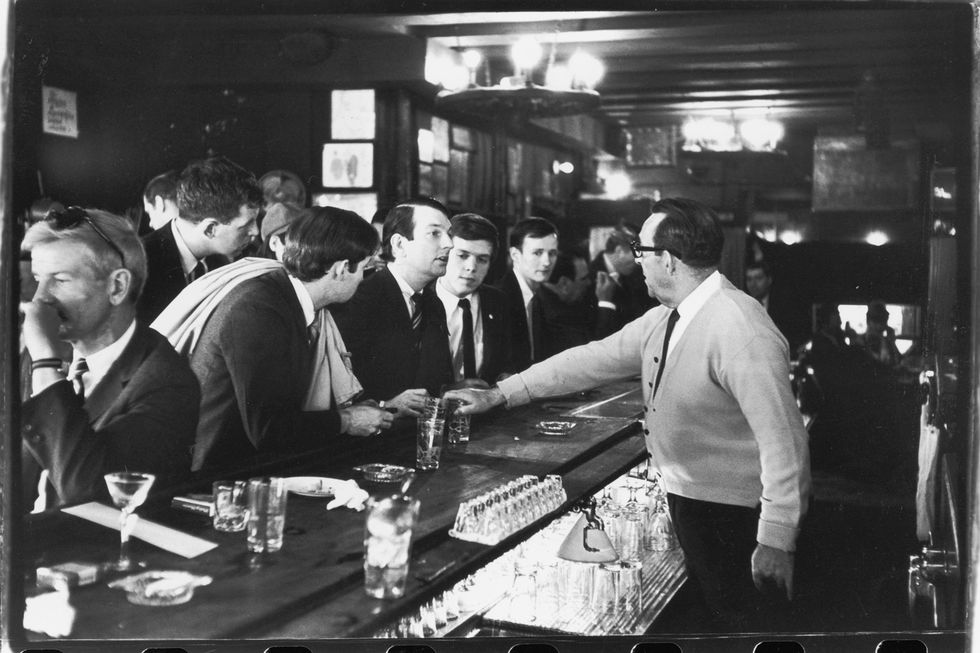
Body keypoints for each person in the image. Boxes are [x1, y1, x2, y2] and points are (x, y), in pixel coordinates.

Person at [448, 197, 810, 631]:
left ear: (669, 261)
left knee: (738, 627)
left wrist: (776, 538)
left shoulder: (739, 325)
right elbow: (589, 359)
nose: (636, 262)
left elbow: (784, 441)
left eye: (642, 251)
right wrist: (501, 394)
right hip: (692, 503)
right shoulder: (667, 317)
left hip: (734, 517)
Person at [186, 207, 393, 472]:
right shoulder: (259, 311)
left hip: (255, 467)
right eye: (363, 269)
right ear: (342, 269)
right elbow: (268, 430)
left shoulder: (284, 294)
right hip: (221, 478)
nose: (363, 279)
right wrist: (347, 421)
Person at [19, 206, 199, 509]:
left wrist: (46, 366)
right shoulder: (41, 352)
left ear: (117, 287)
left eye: (60, 280)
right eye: (38, 279)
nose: (39, 298)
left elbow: (87, 492)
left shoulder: (167, 382)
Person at [333, 198, 455, 417]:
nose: (449, 244)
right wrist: (384, 404)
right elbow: (339, 390)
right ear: (399, 245)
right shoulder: (359, 297)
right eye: (435, 234)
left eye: (449, 234)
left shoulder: (432, 303)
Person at [138, 156, 263, 324]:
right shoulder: (139, 265)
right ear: (210, 229)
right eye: (246, 225)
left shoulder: (227, 261)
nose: (255, 231)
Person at [436, 213, 511, 386]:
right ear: (444, 254)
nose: (471, 267)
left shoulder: (498, 302)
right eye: (462, 256)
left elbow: (506, 363)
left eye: (482, 259)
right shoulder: (420, 301)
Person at [494, 217, 560, 370]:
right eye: (537, 253)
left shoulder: (547, 297)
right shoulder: (498, 298)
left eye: (552, 253)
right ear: (515, 255)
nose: (547, 262)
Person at [590, 225, 656, 337]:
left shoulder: (632, 275)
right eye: (637, 255)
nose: (639, 262)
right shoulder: (589, 275)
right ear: (619, 251)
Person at [744, 259, 808, 354]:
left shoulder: (785, 305)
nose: (753, 284)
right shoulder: (743, 306)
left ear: (769, 280)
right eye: (749, 279)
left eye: (758, 278)